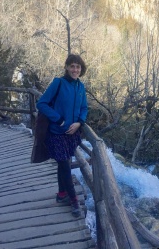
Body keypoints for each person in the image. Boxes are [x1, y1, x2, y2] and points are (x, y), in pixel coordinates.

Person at [37, 54, 88, 217]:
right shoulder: (58, 83)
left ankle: (61, 194)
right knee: (65, 166)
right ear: (66, 67)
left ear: (81, 69)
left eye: (78, 67)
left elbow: (84, 108)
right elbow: (41, 103)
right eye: (72, 66)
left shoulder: (80, 87)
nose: (75, 69)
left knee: (63, 163)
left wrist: (79, 122)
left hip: (71, 135)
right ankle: (74, 201)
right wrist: (58, 119)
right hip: (56, 133)